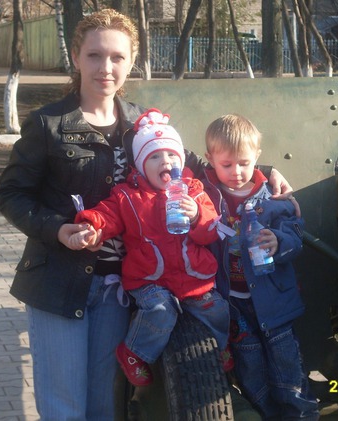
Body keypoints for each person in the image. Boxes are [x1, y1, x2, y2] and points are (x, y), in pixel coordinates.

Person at [0, 8, 292, 420]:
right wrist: (58, 229)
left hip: (119, 287)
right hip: (59, 280)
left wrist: (266, 173)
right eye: (95, 55)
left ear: (131, 61)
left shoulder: (142, 124)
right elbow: (11, 194)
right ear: (76, 57)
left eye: (117, 57)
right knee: (65, 407)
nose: (106, 67)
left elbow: (201, 167)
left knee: (105, 405)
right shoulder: (49, 124)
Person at [70, 108, 230, 387]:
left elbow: (210, 233)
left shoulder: (193, 192)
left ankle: (221, 345)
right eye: (154, 157)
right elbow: (108, 215)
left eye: (171, 155)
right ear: (141, 165)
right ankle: (134, 352)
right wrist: (92, 224)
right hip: (150, 278)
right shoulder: (128, 196)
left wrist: (196, 216)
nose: (165, 161)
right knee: (160, 311)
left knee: (216, 308)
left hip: (192, 275)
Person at [201, 114, 320, 420]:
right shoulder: (205, 195)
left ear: (257, 157)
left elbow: (295, 236)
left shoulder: (274, 199)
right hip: (233, 304)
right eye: (227, 164)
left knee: (288, 371)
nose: (236, 172)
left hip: (272, 301)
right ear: (210, 159)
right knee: (250, 370)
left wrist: (279, 242)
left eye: (244, 163)